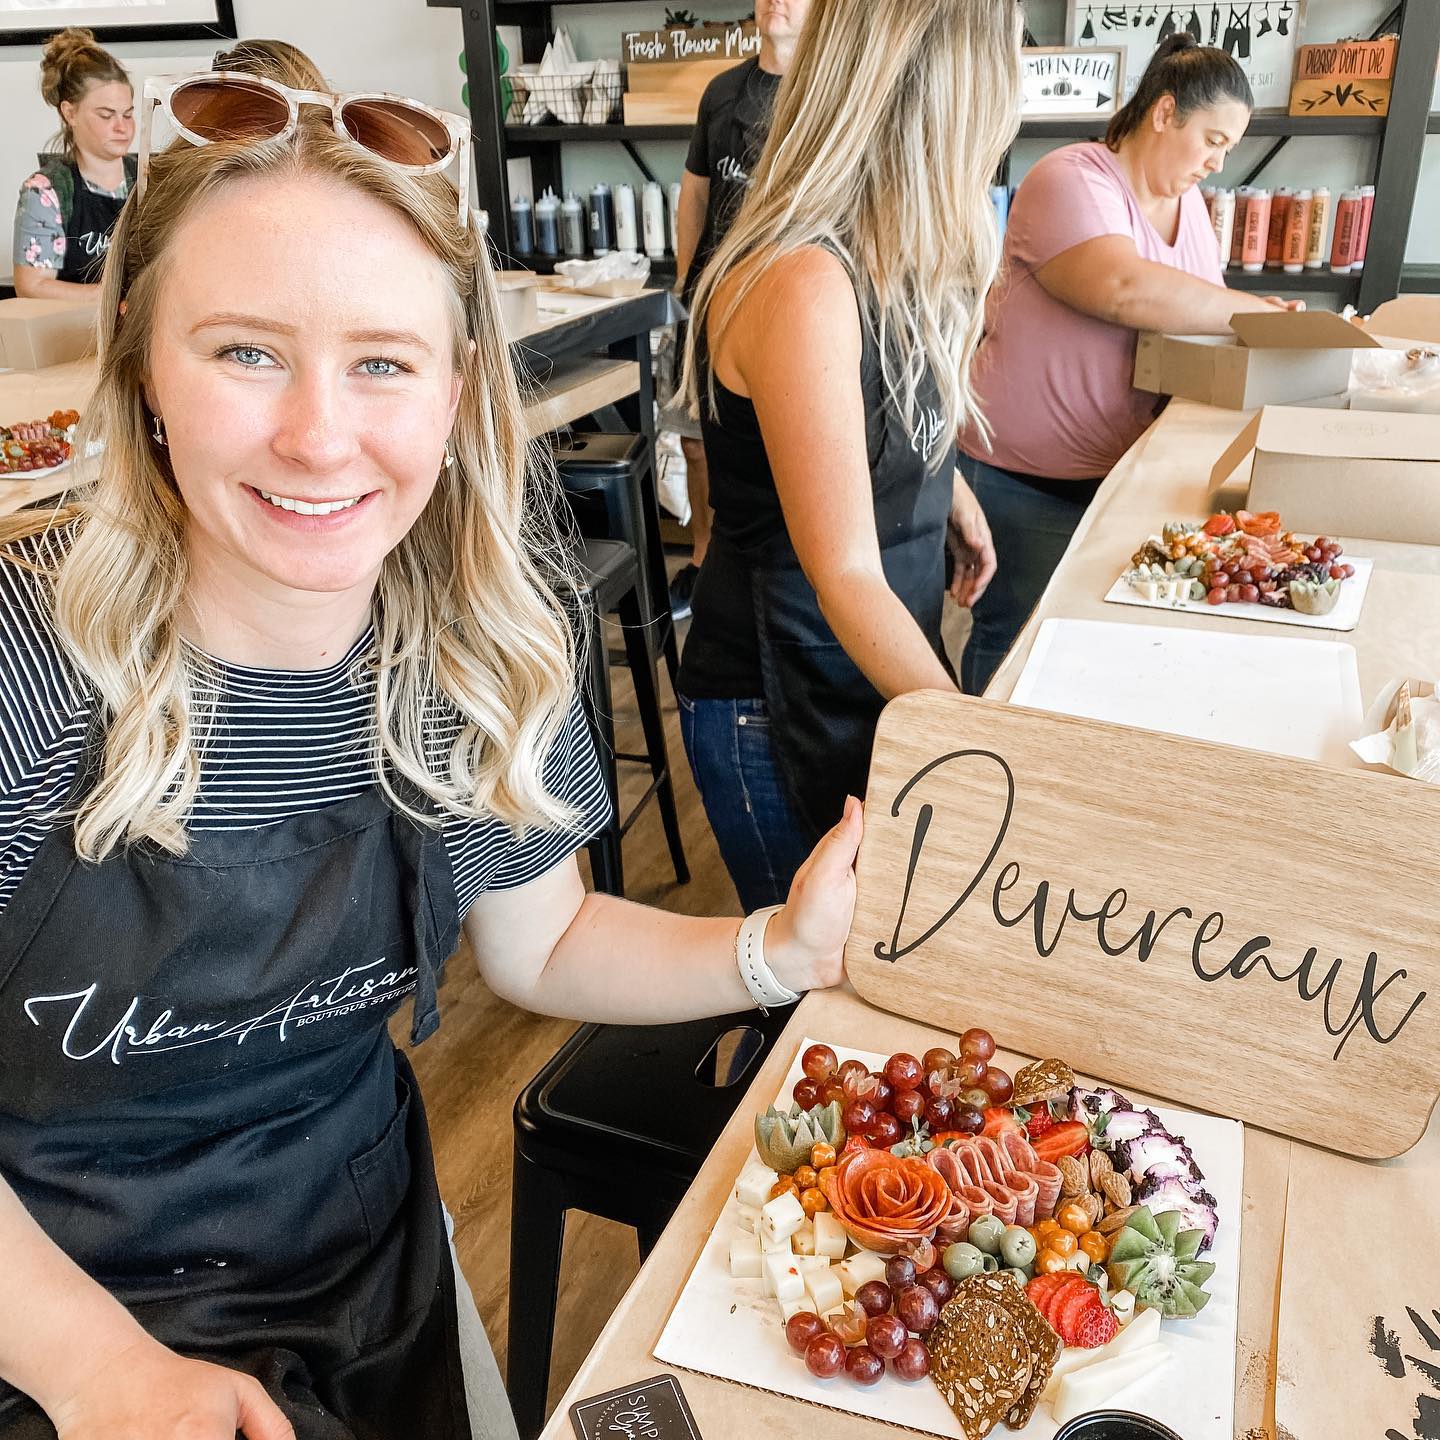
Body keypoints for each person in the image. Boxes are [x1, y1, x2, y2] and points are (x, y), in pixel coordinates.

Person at [0, 59, 860, 1440]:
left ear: (456, 394)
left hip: (362, 1270)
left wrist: (778, 950)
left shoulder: (466, 648)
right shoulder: (26, 658)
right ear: (142, 370)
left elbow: (543, 947)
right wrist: (96, 1371)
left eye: (382, 363)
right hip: (43, 1313)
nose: (319, 435)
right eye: (245, 352)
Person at [675, 0, 1017, 912]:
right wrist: (983, 748)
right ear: (937, 105)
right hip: (778, 697)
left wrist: (950, 499)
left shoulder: (892, 253)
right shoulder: (801, 282)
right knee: (812, 998)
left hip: (854, 674)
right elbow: (846, 578)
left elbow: (864, 432)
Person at [958, 34, 1303, 694]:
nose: (1218, 162)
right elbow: (1123, 288)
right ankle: (981, 776)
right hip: (1028, 478)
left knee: (1090, 643)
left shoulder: (1191, 206)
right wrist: (1253, 312)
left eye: (1228, 149)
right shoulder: (1069, 177)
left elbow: (1198, 312)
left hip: (1129, 476)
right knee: (1017, 640)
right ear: (1165, 112)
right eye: (1212, 139)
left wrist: (1258, 316)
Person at [662, 0, 811, 620]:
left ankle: (788, 572)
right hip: (712, 305)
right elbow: (694, 194)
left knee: (774, 450)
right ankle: (702, 562)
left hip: (785, 310)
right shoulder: (722, 93)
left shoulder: (825, 96)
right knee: (697, 443)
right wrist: (687, 282)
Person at [12, 27, 134, 299]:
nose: (121, 127)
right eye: (106, 115)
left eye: (128, 115)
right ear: (70, 113)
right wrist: (112, 299)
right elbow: (32, 286)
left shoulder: (149, 180)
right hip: (72, 333)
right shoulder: (46, 191)